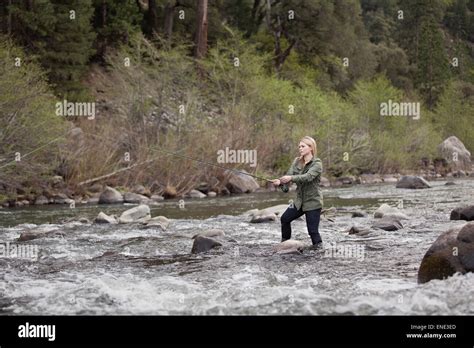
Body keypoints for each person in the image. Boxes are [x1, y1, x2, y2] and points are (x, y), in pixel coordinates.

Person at [272, 136, 323, 249]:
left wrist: (290, 178)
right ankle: (285, 245)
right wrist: (280, 183)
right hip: (299, 201)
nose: (300, 148)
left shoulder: (317, 163)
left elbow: (308, 177)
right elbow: (287, 184)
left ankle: (319, 251)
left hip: (313, 202)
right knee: (285, 219)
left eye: (303, 146)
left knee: (313, 232)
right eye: (299, 146)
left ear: (311, 148)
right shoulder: (296, 162)